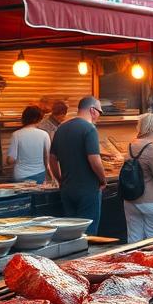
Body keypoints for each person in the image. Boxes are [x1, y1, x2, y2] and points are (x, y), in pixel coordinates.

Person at [48, 96, 107, 234]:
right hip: (87, 189)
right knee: (88, 234)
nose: (99, 115)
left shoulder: (61, 128)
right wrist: (102, 179)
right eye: (100, 111)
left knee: (72, 233)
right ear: (92, 110)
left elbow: (52, 159)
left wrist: (60, 179)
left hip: (67, 189)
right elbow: (94, 159)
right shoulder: (89, 129)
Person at [123, 113, 153, 242]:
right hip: (150, 201)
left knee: (134, 239)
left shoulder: (130, 145)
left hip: (131, 200)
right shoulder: (152, 149)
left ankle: (132, 262)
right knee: (152, 240)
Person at [6, 105, 51, 184]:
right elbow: (47, 160)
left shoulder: (16, 135)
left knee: (23, 196)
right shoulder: (44, 135)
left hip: (20, 175)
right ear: (38, 119)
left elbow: (10, 160)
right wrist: (52, 177)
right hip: (39, 175)